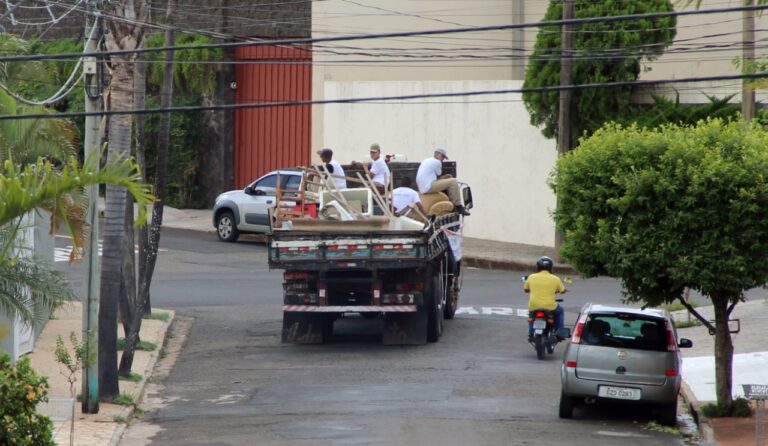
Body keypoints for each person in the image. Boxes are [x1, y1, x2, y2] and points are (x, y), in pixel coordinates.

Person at [415, 148, 470, 216]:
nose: (443, 159)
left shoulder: (427, 160)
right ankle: (458, 206)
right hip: (428, 187)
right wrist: (446, 178)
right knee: (453, 181)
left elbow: (435, 177)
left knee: (450, 181)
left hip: (423, 186)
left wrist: (444, 177)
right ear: (438, 154)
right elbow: (438, 173)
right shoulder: (437, 162)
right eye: (443, 156)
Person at [523, 256, 566, 342]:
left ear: (538, 266)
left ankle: (531, 334)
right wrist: (561, 291)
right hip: (550, 307)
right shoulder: (556, 278)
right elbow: (562, 290)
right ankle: (559, 333)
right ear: (550, 267)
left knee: (532, 316)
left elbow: (526, 289)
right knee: (560, 311)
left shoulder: (531, 277)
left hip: (534, 306)